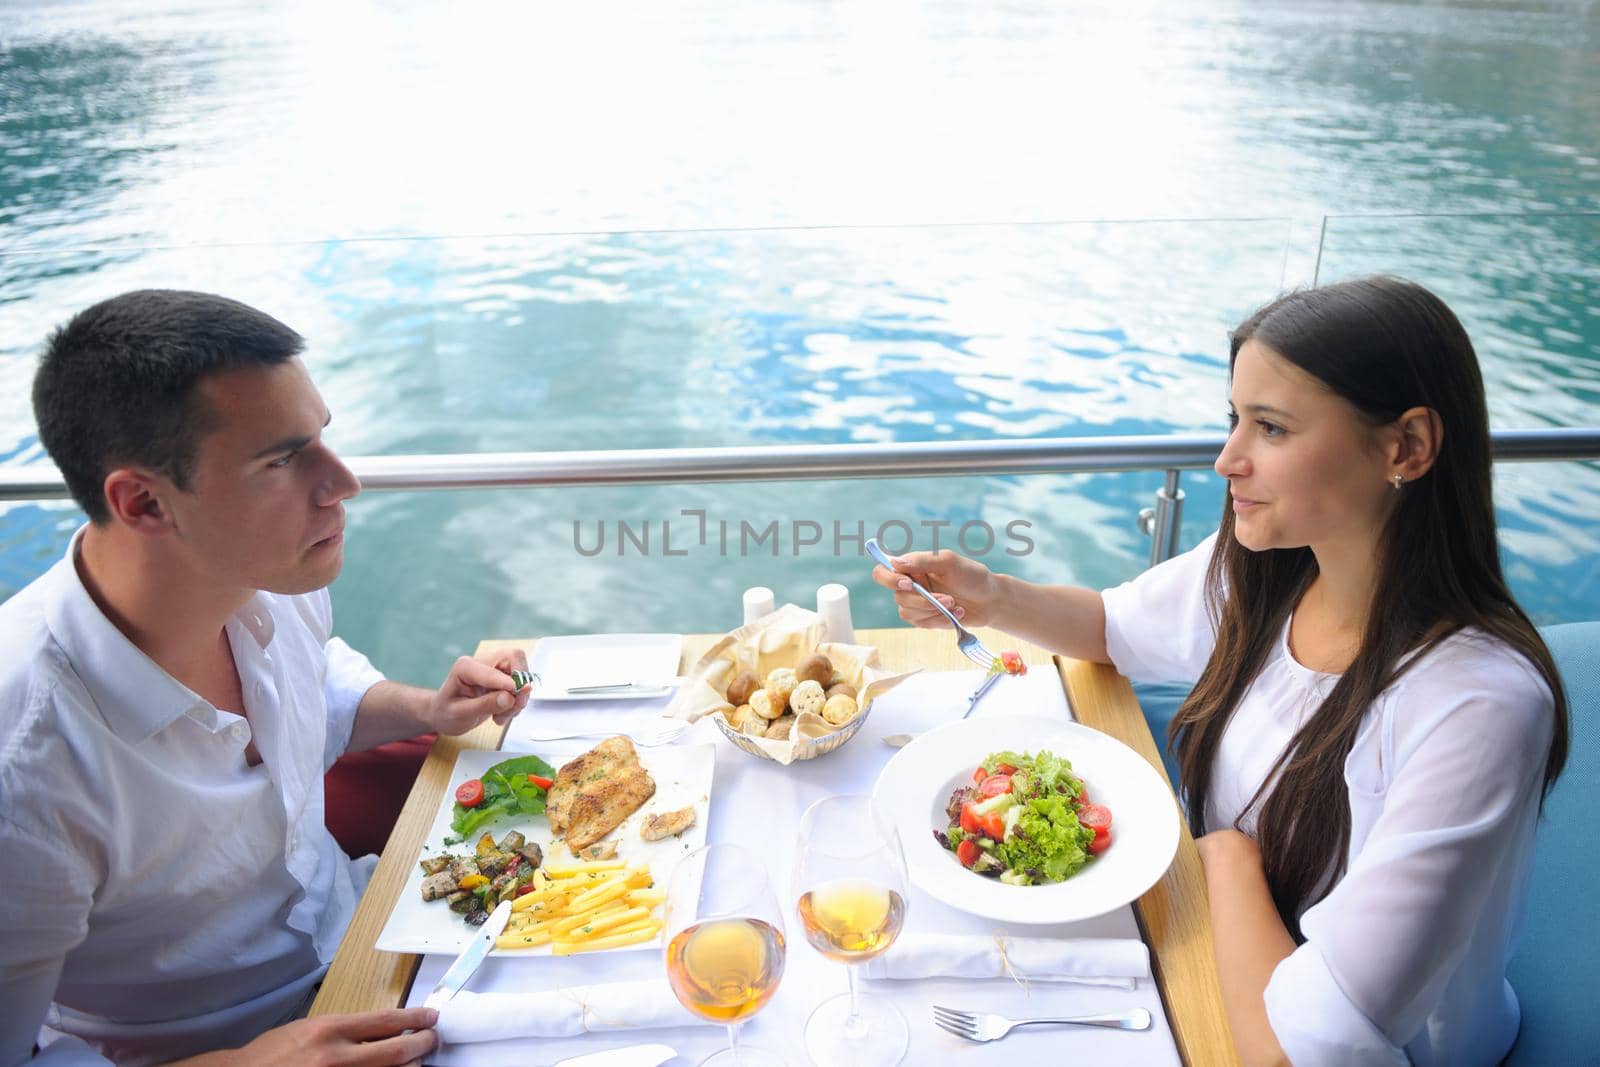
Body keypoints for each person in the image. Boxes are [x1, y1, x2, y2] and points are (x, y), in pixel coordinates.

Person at [872, 276, 1569, 1067]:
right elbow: (1110, 627)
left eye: (1270, 428)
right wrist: (990, 594)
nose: (1225, 458)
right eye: (1234, 418)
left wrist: (1228, 854)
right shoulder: (1270, 571)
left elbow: (1294, 1051)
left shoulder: (1474, 706)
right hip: (1219, 938)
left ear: (1405, 446)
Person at [0, 290, 535, 1066]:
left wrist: (429, 706)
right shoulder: (26, 764)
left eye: (321, 439)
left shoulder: (269, 580)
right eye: (283, 460)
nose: (343, 482)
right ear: (143, 501)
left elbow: (320, 686)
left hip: (385, 940)